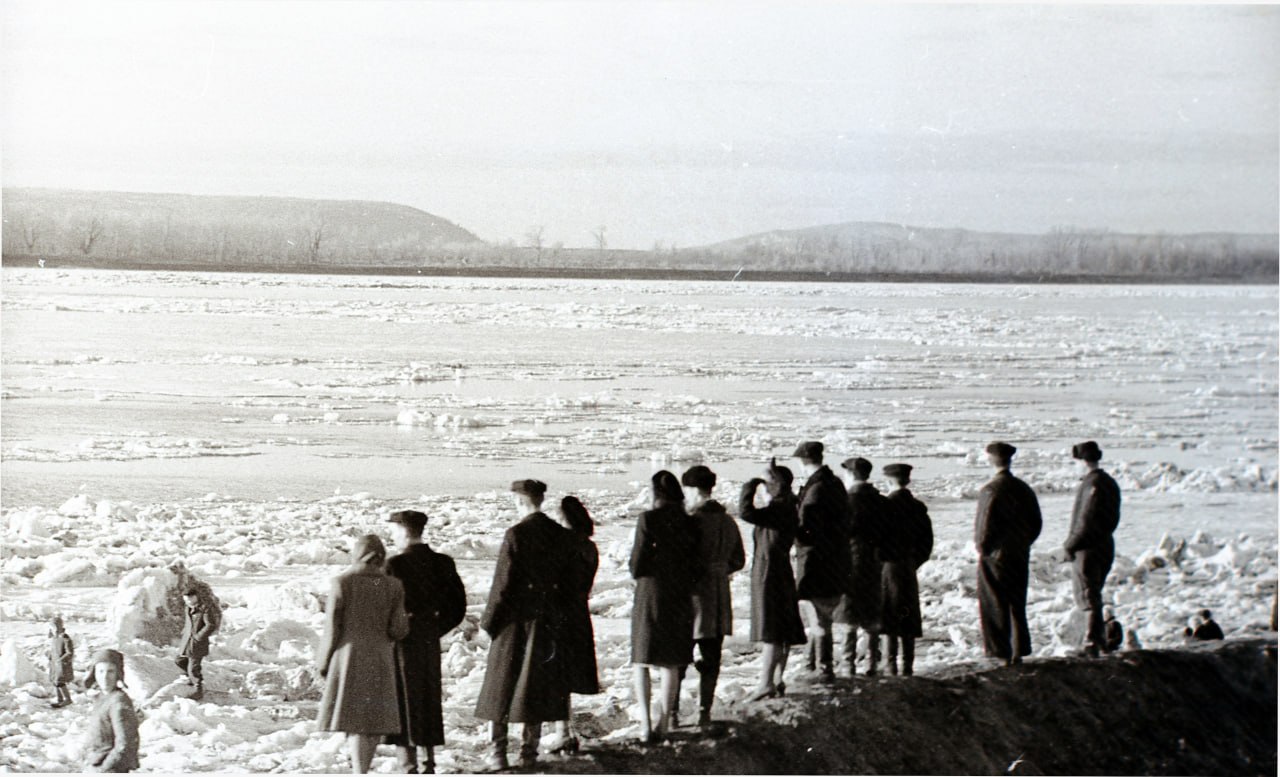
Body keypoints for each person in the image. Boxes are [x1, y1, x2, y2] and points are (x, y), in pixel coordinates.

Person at [474, 480, 576, 770]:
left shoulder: (515, 534)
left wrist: (489, 623)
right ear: (541, 499)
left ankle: (497, 754)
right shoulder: (562, 536)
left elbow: (502, 586)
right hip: (547, 622)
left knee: (500, 687)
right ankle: (529, 752)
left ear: (519, 501)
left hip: (513, 623)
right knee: (536, 686)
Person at [317, 534, 411, 774]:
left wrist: (323, 661)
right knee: (371, 721)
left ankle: (359, 771)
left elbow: (332, 628)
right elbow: (399, 629)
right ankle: (363, 768)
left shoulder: (342, 582)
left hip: (347, 656)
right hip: (380, 656)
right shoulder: (393, 585)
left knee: (354, 719)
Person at [384, 510, 467, 775]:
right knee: (428, 697)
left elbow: (385, 608)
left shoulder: (395, 564)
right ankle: (428, 761)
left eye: (394, 530)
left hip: (402, 640)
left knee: (404, 698)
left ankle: (407, 764)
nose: (392, 535)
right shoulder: (443, 562)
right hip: (428, 638)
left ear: (402, 530)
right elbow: (458, 607)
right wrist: (435, 629)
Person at [629, 470, 699, 743]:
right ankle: (665, 723)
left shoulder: (648, 518)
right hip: (680, 594)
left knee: (642, 660)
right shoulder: (690, 522)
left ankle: (646, 724)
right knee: (670, 661)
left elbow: (637, 564)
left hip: (651, 593)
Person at [678, 465, 745, 729]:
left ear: (694, 489)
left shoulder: (691, 520)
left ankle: (672, 712)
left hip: (693, 597)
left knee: (681, 656)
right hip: (718, 597)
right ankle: (704, 711)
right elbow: (739, 559)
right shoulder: (728, 521)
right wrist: (721, 569)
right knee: (712, 656)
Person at [738, 458, 806, 701]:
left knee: (772, 630)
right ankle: (776, 679)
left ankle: (766, 683)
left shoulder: (778, 508)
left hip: (769, 572)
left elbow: (745, 511)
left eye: (768, 483)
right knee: (782, 628)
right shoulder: (789, 506)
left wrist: (751, 485)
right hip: (781, 570)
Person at [974, 441, 1043, 666]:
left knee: (995, 603)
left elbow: (983, 527)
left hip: (995, 557)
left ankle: (1000, 652)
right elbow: (1036, 523)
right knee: (1016, 601)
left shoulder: (990, 490)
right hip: (1019, 553)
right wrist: (1023, 543)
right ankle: (1018, 650)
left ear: (991, 460)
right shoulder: (1024, 488)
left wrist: (983, 549)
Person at [791, 441, 853, 683]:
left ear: (804, 461)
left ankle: (823, 667)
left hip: (817, 561)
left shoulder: (816, 489)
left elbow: (806, 527)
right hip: (836, 559)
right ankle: (814, 664)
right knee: (822, 613)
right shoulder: (835, 483)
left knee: (818, 616)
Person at [548, 495, 601, 754]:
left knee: (556, 674)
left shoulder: (562, 547)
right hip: (579, 613)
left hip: (559, 614)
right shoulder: (589, 547)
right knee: (568, 673)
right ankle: (564, 730)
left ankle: (562, 732)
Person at [1064, 441, 1122, 658]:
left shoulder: (1092, 485)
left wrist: (1069, 545)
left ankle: (1091, 642)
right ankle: (1098, 640)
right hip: (1105, 544)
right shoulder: (1109, 482)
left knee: (1087, 594)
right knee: (1094, 592)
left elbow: (1085, 522)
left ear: (1082, 462)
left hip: (1088, 548)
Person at [879, 464, 933, 677]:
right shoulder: (918, 507)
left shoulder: (884, 507)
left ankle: (890, 664)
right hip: (908, 566)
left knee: (889, 613)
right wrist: (914, 562)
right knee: (908, 614)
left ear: (889, 481)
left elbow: (877, 540)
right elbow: (926, 543)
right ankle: (908, 664)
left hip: (888, 566)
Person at [837, 457, 889, 676]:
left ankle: (847, 664)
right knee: (872, 613)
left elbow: (840, 534)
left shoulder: (845, 501)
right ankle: (872, 663)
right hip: (875, 562)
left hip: (850, 561)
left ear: (849, 474)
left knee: (848, 613)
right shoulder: (882, 501)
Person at [81, 648, 140, 773]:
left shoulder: (119, 702)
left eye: (111, 671)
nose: (105, 677)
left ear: (118, 674)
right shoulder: (103, 697)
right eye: (101, 671)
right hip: (97, 762)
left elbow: (124, 745)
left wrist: (105, 768)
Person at [176, 587, 220, 701]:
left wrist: (198, 637)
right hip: (187, 641)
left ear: (196, 597)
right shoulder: (188, 608)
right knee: (179, 660)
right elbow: (189, 623)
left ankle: (198, 690)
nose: (188, 602)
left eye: (190, 599)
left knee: (194, 668)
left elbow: (210, 625)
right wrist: (184, 633)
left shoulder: (204, 609)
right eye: (186, 600)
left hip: (197, 643)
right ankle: (191, 678)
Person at [49, 615, 75, 708]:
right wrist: (50, 656)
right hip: (55, 664)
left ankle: (67, 699)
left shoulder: (65, 638)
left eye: (54, 626)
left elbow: (70, 652)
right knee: (55, 681)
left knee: (60, 682)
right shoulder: (54, 638)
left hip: (62, 664)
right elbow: (53, 650)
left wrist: (62, 659)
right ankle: (60, 699)